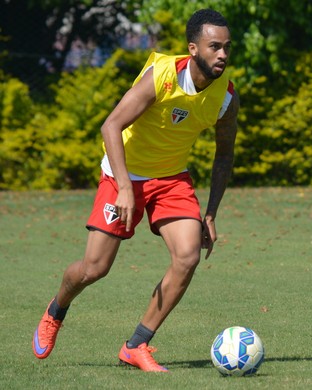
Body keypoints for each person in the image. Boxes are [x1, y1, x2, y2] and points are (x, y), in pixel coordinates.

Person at [32, 8, 239, 372]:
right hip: (122, 173)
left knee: (188, 256)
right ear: (193, 49)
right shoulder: (161, 77)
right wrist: (125, 188)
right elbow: (111, 126)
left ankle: (136, 345)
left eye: (226, 47)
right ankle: (56, 310)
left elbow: (224, 156)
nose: (222, 54)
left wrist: (210, 213)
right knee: (94, 268)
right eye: (214, 47)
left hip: (171, 177)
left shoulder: (225, 96)